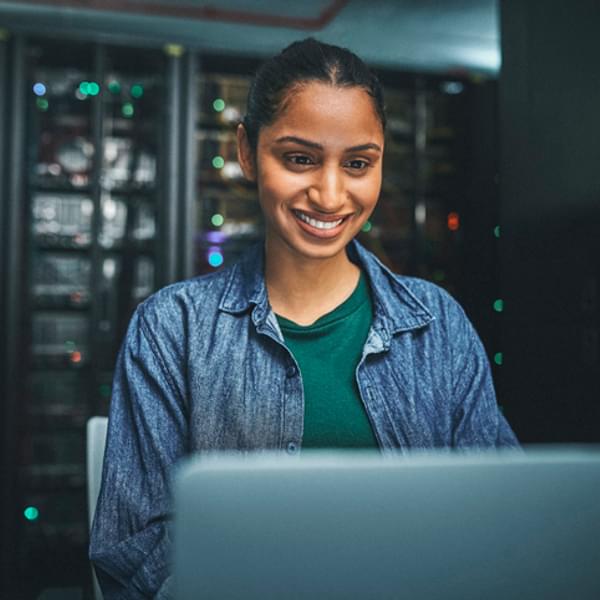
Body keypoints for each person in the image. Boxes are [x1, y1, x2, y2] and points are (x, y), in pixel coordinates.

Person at [89, 37, 519, 599]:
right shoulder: (171, 329)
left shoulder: (439, 324)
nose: (330, 194)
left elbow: (500, 514)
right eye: (300, 158)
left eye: (359, 163)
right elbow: (134, 544)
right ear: (247, 151)